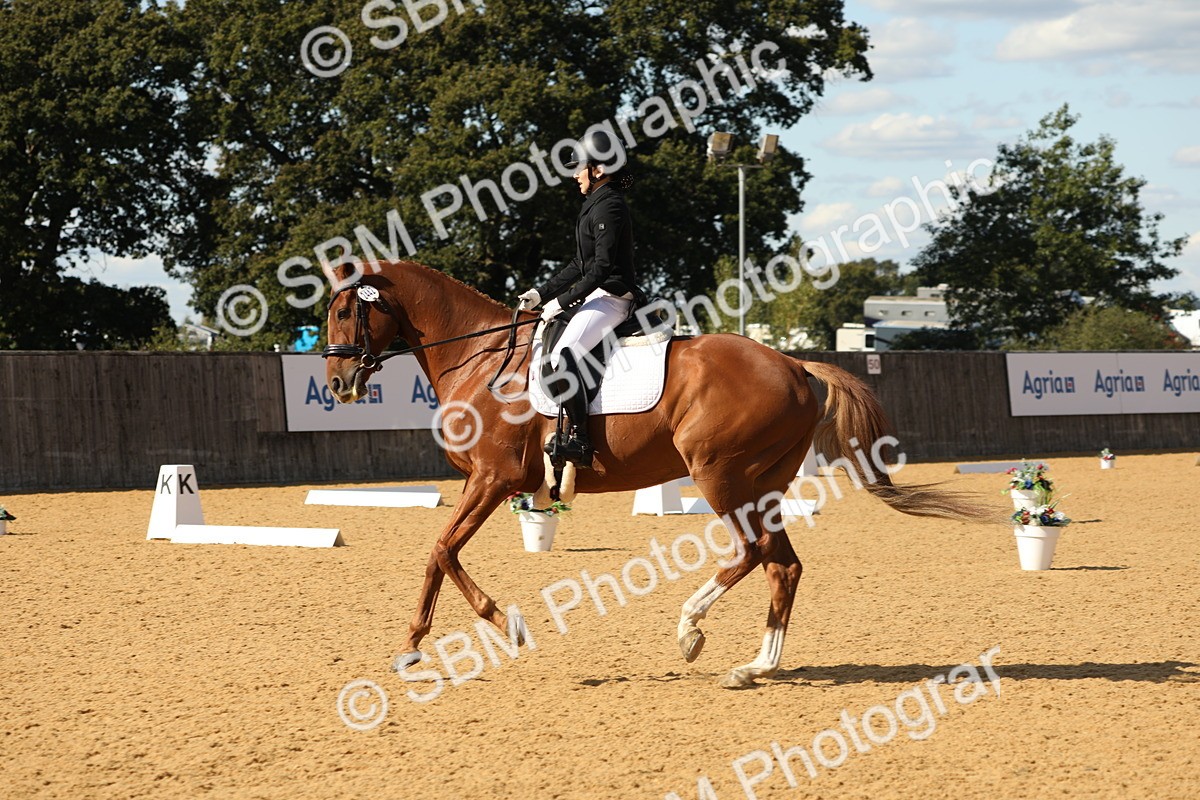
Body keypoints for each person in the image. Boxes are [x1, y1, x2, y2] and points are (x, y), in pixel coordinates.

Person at [517, 129, 639, 467]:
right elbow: (578, 264)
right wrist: (541, 293)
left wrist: (562, 302)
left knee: (563, 355)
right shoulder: (595, 203)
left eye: (579, 168)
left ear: (598, 169)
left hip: (612, 297)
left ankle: (581, 441)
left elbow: (600, 268)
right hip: (596, 294)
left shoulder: (609, 205)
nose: (574, 175)